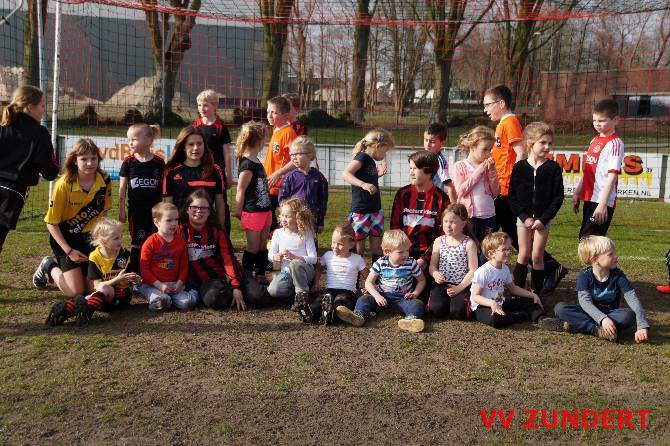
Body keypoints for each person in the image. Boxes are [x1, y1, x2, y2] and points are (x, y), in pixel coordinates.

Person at [483, 84, 566, 291]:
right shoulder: (502, 123)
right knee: (513, 235)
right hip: (503, 189)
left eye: (488, 104)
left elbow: (520, 152)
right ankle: (544, 271)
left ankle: (548, 269)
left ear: (501, 103)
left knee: (506, 233)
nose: (485, 109)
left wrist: (519, 180)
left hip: (507, 190)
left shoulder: (510, 122)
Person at [32, 139, 111, 298]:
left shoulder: (105, 180)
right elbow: (51, 223)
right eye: (84, 159)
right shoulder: (64, 185)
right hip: (66, 239)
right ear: (75, 160)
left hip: (90, 238)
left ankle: (78, 273)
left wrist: (103, 241)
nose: (90, 163)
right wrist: (69, 251)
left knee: (94, 289)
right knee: (76, 292)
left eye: (94, 158)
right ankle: (49, 266)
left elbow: (104, 214)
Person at [45, 218, 140, 326]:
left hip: (122, 297)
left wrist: (135, 279)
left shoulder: (125, 255)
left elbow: (134, 280)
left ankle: (81, 311)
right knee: (92, 295)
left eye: (121, 236)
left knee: (98, 292)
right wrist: (117, 279)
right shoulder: (95, 257)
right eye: (116, 238)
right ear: (103, 241)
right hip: (101, 297)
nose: (120, 241)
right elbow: (97, 285)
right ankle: (67, 311)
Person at [554, 236, 650, 343]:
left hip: (610, 314)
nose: (616, 256)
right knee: (560, 308)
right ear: (595, 259)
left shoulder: (618, 275)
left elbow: (633, 299)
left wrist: (642, 325)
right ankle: (597, 331)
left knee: (629, 315)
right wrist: (602, 319)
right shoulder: (585, 275)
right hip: (587, 312)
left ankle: (578, 325)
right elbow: (585, 302)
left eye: (615, 253)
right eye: (611, 254)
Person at [0, 85, 59, 254]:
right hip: (11, 195)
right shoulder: (40, 133)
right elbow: (50, 170)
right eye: (42, 105)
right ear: (30, 107)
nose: (44, 110)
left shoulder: (3, 125)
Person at [509, 122, 564, 294]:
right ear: (530, 143)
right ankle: (519, 293)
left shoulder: (553, 168)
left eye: (549, 143)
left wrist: (543, 219)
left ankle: (536, 294)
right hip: (523, 219)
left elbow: (558, 198)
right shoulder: (519, 167)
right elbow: (512, 197)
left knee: (537, 256)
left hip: (543, 220)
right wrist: (524, 217)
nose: (547, 147)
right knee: (523, 254)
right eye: (543, 142)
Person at [336, 230, 426, 333]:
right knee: (364, 299)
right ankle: (358, 316)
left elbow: (421, 280)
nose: (405, 254)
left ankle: (410, 320)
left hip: (403, 299)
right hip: (383, 298)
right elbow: (369, 282)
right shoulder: (381, 262)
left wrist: (415, 293)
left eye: (407, 250)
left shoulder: (411, 263)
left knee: (417, 304)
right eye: (400, 252)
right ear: (387, 252)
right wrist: (377, 296)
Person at [469, 231, 562, 330]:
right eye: (504, 250)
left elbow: (513, 289)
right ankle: (521, 315)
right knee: (495, 320)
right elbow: (475, 296)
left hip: (500, 302)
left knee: (530, 302)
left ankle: (542, 319)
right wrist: (491, 303)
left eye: (509, 249)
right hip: (483, 306)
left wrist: (532, 295)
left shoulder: (504, 269)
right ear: (491, 253)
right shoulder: (483, 271)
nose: (508, 252)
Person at [181, 190, 251, 310]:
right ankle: (229, 290)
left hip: (227, 274)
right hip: (206, 281)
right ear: (187, 209)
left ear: (209, 212)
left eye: (204, 208)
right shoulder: (179, 231)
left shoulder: (216, 231)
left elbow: (228, 258)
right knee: (216, 299)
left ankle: (240, 287)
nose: (199, 211)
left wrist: (236, 286)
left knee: (257, 296)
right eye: (195, 207)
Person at [572, 98, 625, 239]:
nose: (597, 124)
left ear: (615, 120)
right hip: (589, 197)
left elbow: (612, 177)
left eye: (601, 121)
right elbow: (588, 170)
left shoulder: (615, 144)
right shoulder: (594, 140)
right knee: (587, 240)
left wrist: (602, 204)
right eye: (594, 120)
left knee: (590, 241)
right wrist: (578, 192)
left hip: (601, 201)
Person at [390, 150, 449, 272]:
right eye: (410, 168)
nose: (411, 172)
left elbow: (444, 233)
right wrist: (400, 252)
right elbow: (395, 227)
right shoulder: (402, 194)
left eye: (415, 169)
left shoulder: (441, 198)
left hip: (431, 255)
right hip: (403, 252)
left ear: (428, 171)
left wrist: (426, 258)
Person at [342, 128, 393, 261]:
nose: (385, 155)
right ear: (378, 146)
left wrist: (377, 175)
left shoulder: (371, 161)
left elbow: (366, 177)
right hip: (361, 211)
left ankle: (376, 271)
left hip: (375, 210)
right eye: (385, 151)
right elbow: (346, 173)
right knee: (359, 249)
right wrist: (363, 184)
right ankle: (357, 271)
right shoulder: (362, 157)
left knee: (377, 247)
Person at [118, 123, 164, 272]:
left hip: (155, 212)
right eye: (128, 139)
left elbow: (165, 188)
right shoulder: (128, 162)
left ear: (148, 141)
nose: (130, 143)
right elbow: (122, 189)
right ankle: (135, 271)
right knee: (137, 242)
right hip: (136, 211)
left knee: (155, 240)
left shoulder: (159, 163)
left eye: (134, 139)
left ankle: (153, 270)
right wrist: (122, 210)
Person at [163, 125, 226, 229]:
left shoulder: (215, 170)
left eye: (199, 144)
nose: (196, 148)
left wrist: (221, 229)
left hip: (208, 229)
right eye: (191, 144)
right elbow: (168, 205)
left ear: (204, 145)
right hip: (181, 230)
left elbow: (220, 202)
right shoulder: (171, 172)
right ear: (183, 147)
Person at [139, 202, 197, 311]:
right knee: (161, 301)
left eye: (176, 220)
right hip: (153, 285)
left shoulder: (180, 241)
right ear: (157, 222)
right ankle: (163, 299)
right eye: (169, 220)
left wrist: (180, 283)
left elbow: (184, 266)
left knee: (188, 303)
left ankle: (190, 292)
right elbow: (144, 269)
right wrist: (159, 285)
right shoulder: (150, 242)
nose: (174, 224)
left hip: (174, 285)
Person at [306, 223, 367, 325]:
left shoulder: (357, 259)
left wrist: (368, 288)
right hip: (329, 290)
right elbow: (318, 269)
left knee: (340, 303)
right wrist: (316, 283)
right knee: (320, 301)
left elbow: (368, 276)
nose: (335, 247)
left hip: (347, 292)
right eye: (333, 242)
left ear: (351, 245)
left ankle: (331, 314)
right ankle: (311, 313)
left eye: (340, 244)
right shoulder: (328, 256)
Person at [267, 197, 317, 321]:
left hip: (304, 270)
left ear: (298, 217)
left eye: (287, 216)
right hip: (286, 272)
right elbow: (270, 255)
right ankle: (295, 291)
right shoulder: (278, 233)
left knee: (295, 264)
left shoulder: (306, 234)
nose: (283, 219)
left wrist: (296, 258)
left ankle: (302, 296)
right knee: (273, 291)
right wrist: (275, 257)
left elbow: (314, 259)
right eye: (282, 215)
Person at [234, 121, 272, 282]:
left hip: (265, 210)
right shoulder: (247, 164)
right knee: (253, 247)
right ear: (260, 140)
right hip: (253, 212)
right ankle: (247, 277)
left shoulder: (256, 161)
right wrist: (238, 210)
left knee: (263, 245)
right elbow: (240, 189)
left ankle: (261, 274)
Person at [427, 204, 478, 320]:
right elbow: (432, 265)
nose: (448, 226)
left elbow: (473, 270)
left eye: (453, 222)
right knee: (437, 310)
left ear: (463, 224)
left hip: (462, 285)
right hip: (442, 285)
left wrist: (459, 288)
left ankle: (464, 302)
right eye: (445, 221)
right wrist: (435, 274)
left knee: (458, 312)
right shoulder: (439, 241)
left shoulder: (469, 244)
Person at [451, 126, 500, 243]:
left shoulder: (488, 167)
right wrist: (478, 172)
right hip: (469, 217)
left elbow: (496, 192)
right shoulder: (460, 166)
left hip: (488, 215)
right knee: (470, 246)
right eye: (485, 149)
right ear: (472, 147)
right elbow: (461, 191)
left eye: (490, 149)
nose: (488, 153)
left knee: (487, 247)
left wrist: (492, 171)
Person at [194, 89, 233, 232]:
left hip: (217, 173)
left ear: (215, 105)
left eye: (205, 105)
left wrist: (228, 175)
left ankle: (223, 233)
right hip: (200, 171)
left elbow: (227, 153)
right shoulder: (196, 126)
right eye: (199, 105)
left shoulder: (221, 127)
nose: (202, 108)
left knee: (220, 202)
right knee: (200, 201)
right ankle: (201, 232)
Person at [278, 136, 328, 234]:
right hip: (293, 220)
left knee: (309, 242)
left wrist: (320, 221)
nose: (294, 157)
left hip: (310, 221)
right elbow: (282, 200)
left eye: (298, 154)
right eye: (292, 154)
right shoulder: (289, 177)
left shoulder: (319, 178)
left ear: (310, 155)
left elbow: (322, 201)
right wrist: (285, 217)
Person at [264, 96, 298, 231]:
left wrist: (277, 174)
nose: (269, 115)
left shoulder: (288, 132)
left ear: (285, 116)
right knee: (269, 219)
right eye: (268, 112)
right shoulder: (276, 130)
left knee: (281, 221)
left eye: (274, 112)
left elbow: (295, 160)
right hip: (270, 183)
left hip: (280, 186)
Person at [423, 122, 457, 203]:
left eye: (432, 142)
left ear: (442, 143)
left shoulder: (440, 162)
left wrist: (454, 207)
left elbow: (449, 187)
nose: (428, 144)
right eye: (426, 140)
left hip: (434, 203)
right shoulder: (421, 157)